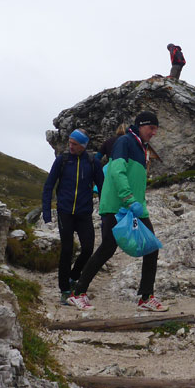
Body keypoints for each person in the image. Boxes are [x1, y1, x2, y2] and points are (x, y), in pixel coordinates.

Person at [68, 111, 168, 312]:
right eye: (151, 128)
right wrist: (129, 199)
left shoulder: (142, 147)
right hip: (117, 206)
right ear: (141, 125)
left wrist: (139, 205)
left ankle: (146, 297)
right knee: (108, 248)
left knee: (151, 246)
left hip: (134, 208)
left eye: (156, 129)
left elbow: (136, 179)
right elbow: (116, 171)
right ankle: (77, 293)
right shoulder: (125, 142)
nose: (154, 133)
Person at [42, 129, 104, 304]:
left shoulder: (93, 162)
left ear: (83, 145)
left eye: (74, 144)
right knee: (67, 250)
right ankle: (64, 290)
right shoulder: (62, 160)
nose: (70, 146)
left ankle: (73, 277)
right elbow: (49, 186)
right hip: (65, 212)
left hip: (84, 213)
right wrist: (47, 214)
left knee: (88, 249)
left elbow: (102, 187)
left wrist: (105, 212)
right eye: (70, 142)